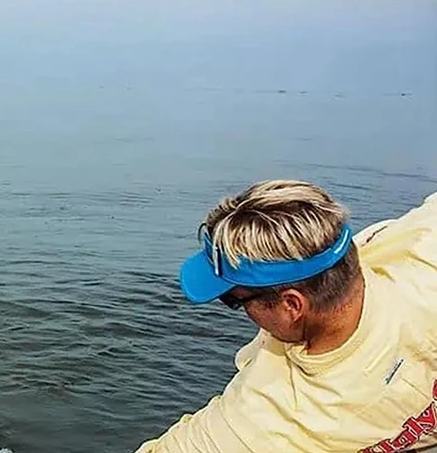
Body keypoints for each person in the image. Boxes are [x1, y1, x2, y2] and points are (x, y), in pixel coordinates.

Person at [134, 180, 437, 453]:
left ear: (292, 305)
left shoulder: (274, 418)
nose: (243, 313)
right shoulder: (421, 250)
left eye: (235, 300)